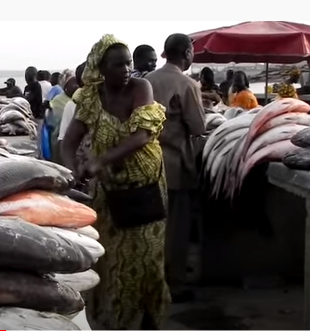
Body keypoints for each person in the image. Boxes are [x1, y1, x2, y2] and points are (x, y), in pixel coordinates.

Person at [61, 35, 170, 330]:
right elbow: (69, 142)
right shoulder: (89, 98)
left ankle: (148, 320)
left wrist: (99, 161)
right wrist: (73, 174)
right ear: (101, 68)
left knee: (146, 258)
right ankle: (112, 320)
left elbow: (142, 135)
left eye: (128, 63)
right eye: (117, 64)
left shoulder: (140, 87)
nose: (126, 69)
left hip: (144, 191)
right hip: (107, 194)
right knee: (108, 259)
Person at [145, 33, 206, 304]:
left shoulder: (146, 81)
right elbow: (198, 127)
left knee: (150, 228)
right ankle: (174, 284)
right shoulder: (187, 84)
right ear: (187, 53)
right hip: (175, 166)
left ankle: (149, 280)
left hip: (146, 164)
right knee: (176, 230)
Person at [48, 69, 78, 163]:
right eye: (73, 84)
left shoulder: (79, 98)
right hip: (60, 138)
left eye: (77, 82)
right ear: (65, 87)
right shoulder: (57, 101)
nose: (77, 86)